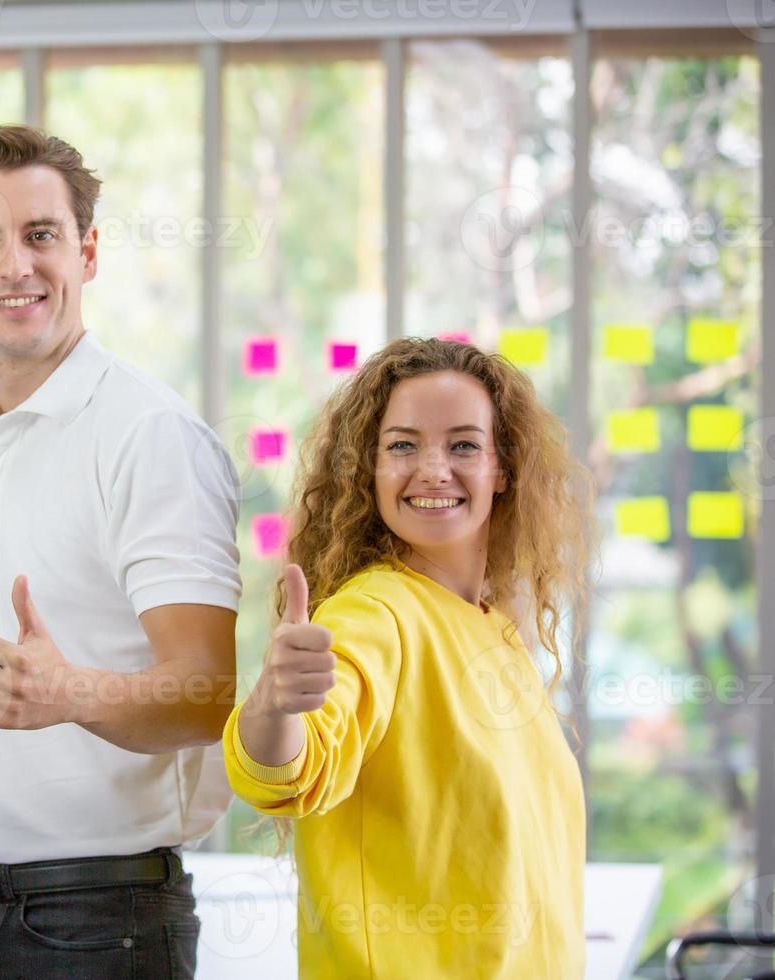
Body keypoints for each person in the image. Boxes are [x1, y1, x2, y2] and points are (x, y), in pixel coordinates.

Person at [0, 124, 243, 979]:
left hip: (102, 924)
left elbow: (209, 695)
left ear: (87, 252)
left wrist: (70, 693)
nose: (15, 265)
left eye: (42, 235)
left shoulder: (149, 434)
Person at [225, 337, 592, 978]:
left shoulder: (496, 633)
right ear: (367, 470)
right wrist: (275, 702)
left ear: (503, 470)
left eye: (463, 445)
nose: (432, 469)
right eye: (402, 445)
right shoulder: (373, 616)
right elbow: (285, 771)